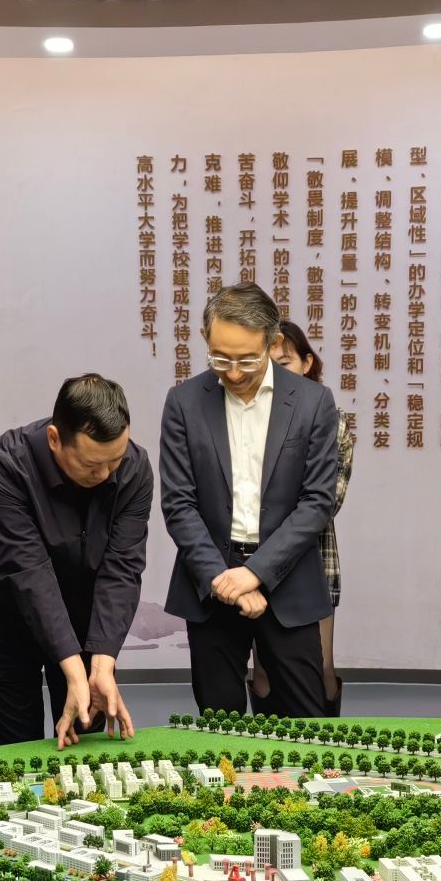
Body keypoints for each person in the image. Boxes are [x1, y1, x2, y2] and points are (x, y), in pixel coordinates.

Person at [159, 283, 340, 720]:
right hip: (211, 581)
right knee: (219, 721)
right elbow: (179, 504)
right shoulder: (184, 403)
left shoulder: (313, 402)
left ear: (272, 342)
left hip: (289, 579)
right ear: (205, 339)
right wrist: (223, 579)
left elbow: (316, 502)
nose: (234, 373)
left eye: (247, 359)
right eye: (221, 359)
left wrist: (256, 573)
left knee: (305, 720)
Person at [0, 374, 150, 748]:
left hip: (85, 622)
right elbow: (29, 573)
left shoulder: (134, 467)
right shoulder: (4, 467)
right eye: (91, 465)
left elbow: (122, 567)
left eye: (114, 461)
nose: (105, 475)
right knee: (17, 744)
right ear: (54, 439)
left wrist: (101, 664)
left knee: (86, 736)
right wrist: (73, 671)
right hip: (9, 619)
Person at [250, 318, 355, 717]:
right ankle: (268, 751)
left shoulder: (332, 420)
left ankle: (322, 751)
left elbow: (327, 501)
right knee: (263, 672)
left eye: (286, 363)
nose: (276, 375)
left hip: (312, 564)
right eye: (268, 365)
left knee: (320, 669)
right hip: (252, 567)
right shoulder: (247, 420)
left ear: (308, 363)